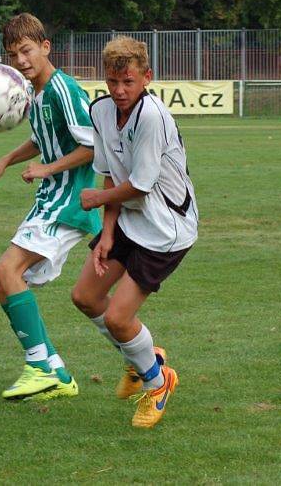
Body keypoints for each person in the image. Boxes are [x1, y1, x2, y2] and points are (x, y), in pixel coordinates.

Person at [71, 36, 198, 428]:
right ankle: (144, 360)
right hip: (127, 218)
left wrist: (95, 199)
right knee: (86, 297)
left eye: (128, 82)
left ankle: (158, 384)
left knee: (119, 320)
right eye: (113, 82)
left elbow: (140, 185)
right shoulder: (103, 111)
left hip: (165, 230)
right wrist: (107, 232)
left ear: (147, 77)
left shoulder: (153, 116)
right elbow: (111, 171)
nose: (120, 90)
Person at [0, 13, 101, 401]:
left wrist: (47, 168)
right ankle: (57, 372)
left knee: (6, 269)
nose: (21, 60)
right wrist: (3, 161)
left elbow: (91, 146)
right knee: (5, 286)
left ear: (46, 47)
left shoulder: (63, 89)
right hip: (49, 200)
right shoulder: (36, 92)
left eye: (27, 51)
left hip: (67, 201)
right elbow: (39, 138)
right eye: (14, 54)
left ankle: (37, 367)